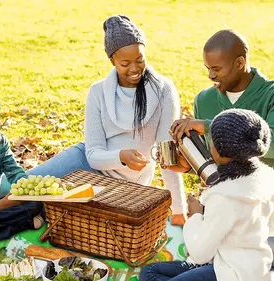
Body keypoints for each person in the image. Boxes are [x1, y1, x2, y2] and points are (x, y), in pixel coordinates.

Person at [19, 15, 187, 225]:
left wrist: (179, 210)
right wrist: (121, 156)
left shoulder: (163, 90)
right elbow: (93, 155)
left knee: (63, 214)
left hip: (124, 185)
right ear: (112, 61)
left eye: (140, 59)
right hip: (88, 163)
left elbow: (166, 155)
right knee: (21, 188)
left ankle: (38, 215)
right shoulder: (98, 92)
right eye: (125, 63)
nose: (134, 69)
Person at [140, 109, 274, 281]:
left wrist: (196, 215)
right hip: (245, 264)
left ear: (218, 151)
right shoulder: (265, 177)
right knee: (149, 274)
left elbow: (199, 252)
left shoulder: (225, 197)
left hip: (233, 274)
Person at [170, 29, 274, 265]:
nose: (210, 75)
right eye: (207, 68)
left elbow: (272, 143)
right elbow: (216, 159)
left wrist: (208, 126)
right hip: (222, 203)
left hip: (262, 208)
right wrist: (190, 165)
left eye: (216, 69)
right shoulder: (204, 100)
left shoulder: (270, 94)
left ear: (240, 63)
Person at [0, 90, 44, 250]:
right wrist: (3, 204)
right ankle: (22, 223)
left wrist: (28, 189)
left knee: (39, 203)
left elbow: (14, 172)